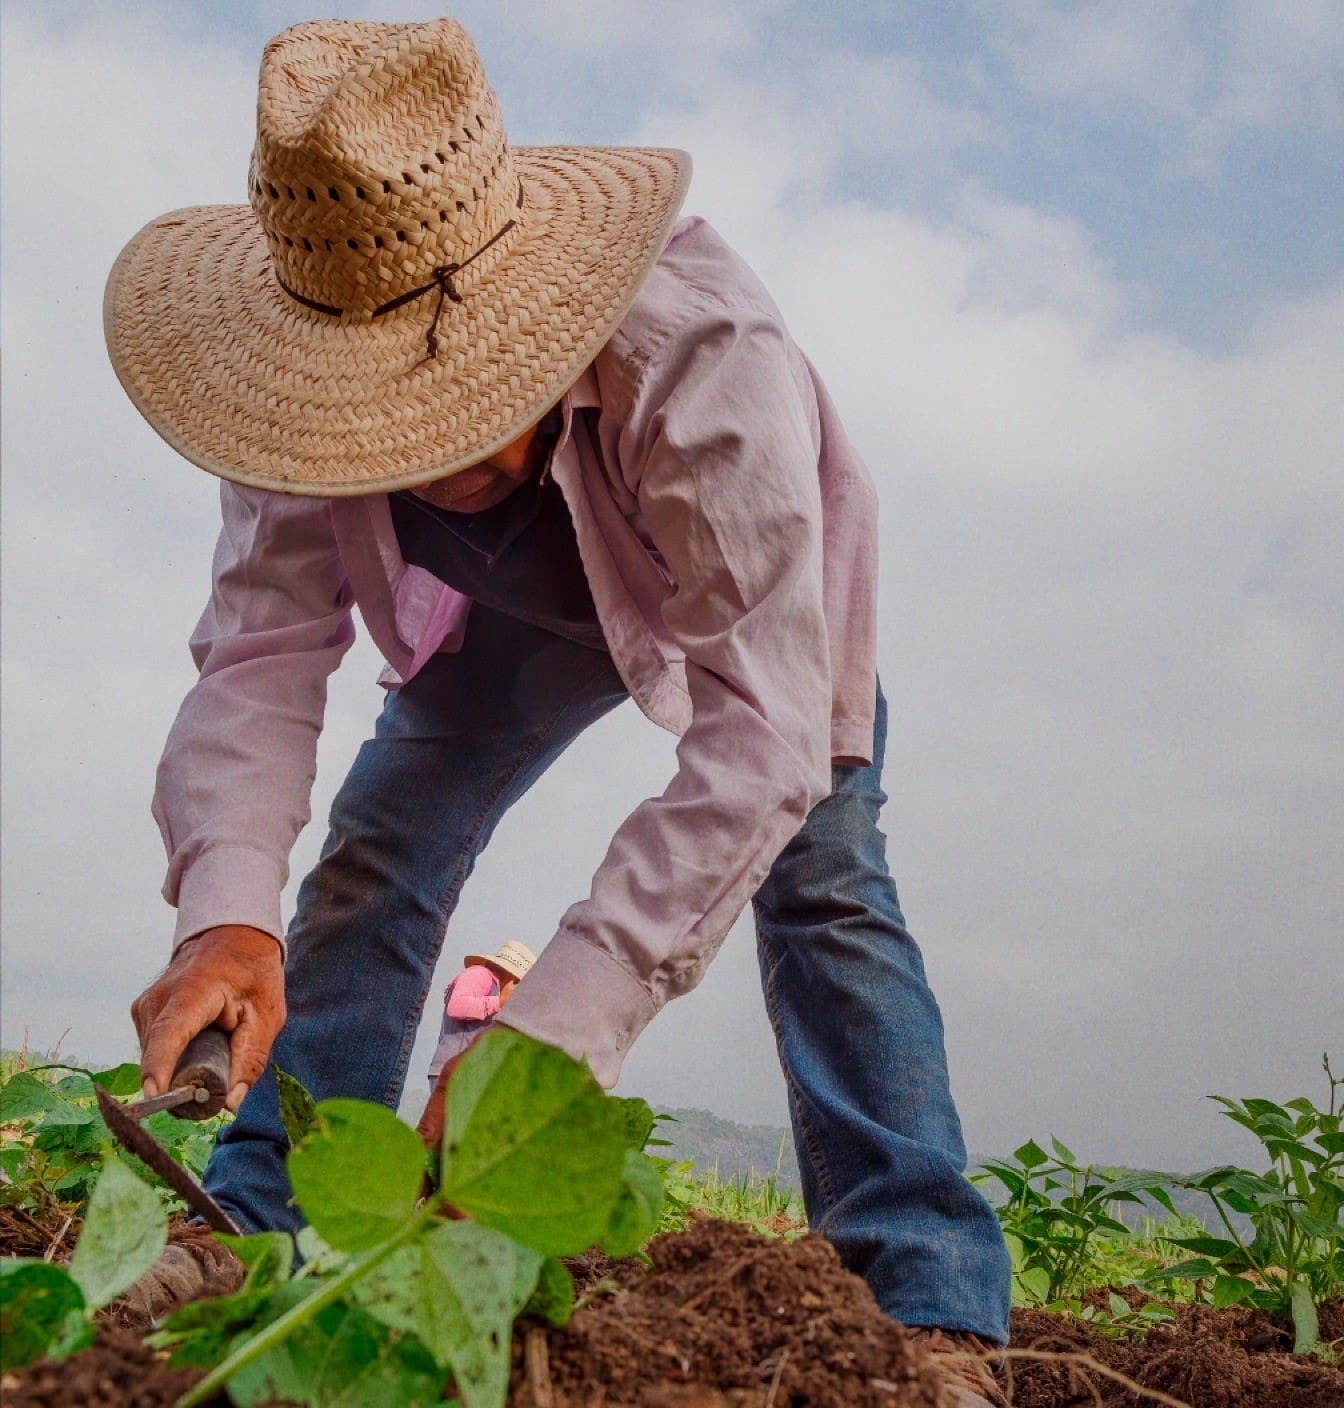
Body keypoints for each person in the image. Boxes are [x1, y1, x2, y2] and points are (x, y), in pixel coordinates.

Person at [108, 18, 1010, 1404]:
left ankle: (928, 1299)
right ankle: (254, 1219)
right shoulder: (291, 391)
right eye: (382, 420)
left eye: (455, 400)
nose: (429, 462)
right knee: (378, 845)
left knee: (827, 883)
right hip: (509, 620)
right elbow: (259, 655)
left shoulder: (701, 354)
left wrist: (542, 1043)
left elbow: (762, 735)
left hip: (748, 609)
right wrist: (224, 913)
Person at [429, 942, 536, 1082]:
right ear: (513, 977)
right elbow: (456, 1006)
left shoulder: (494, 989)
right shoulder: (480, 974)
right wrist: (499, 1002)